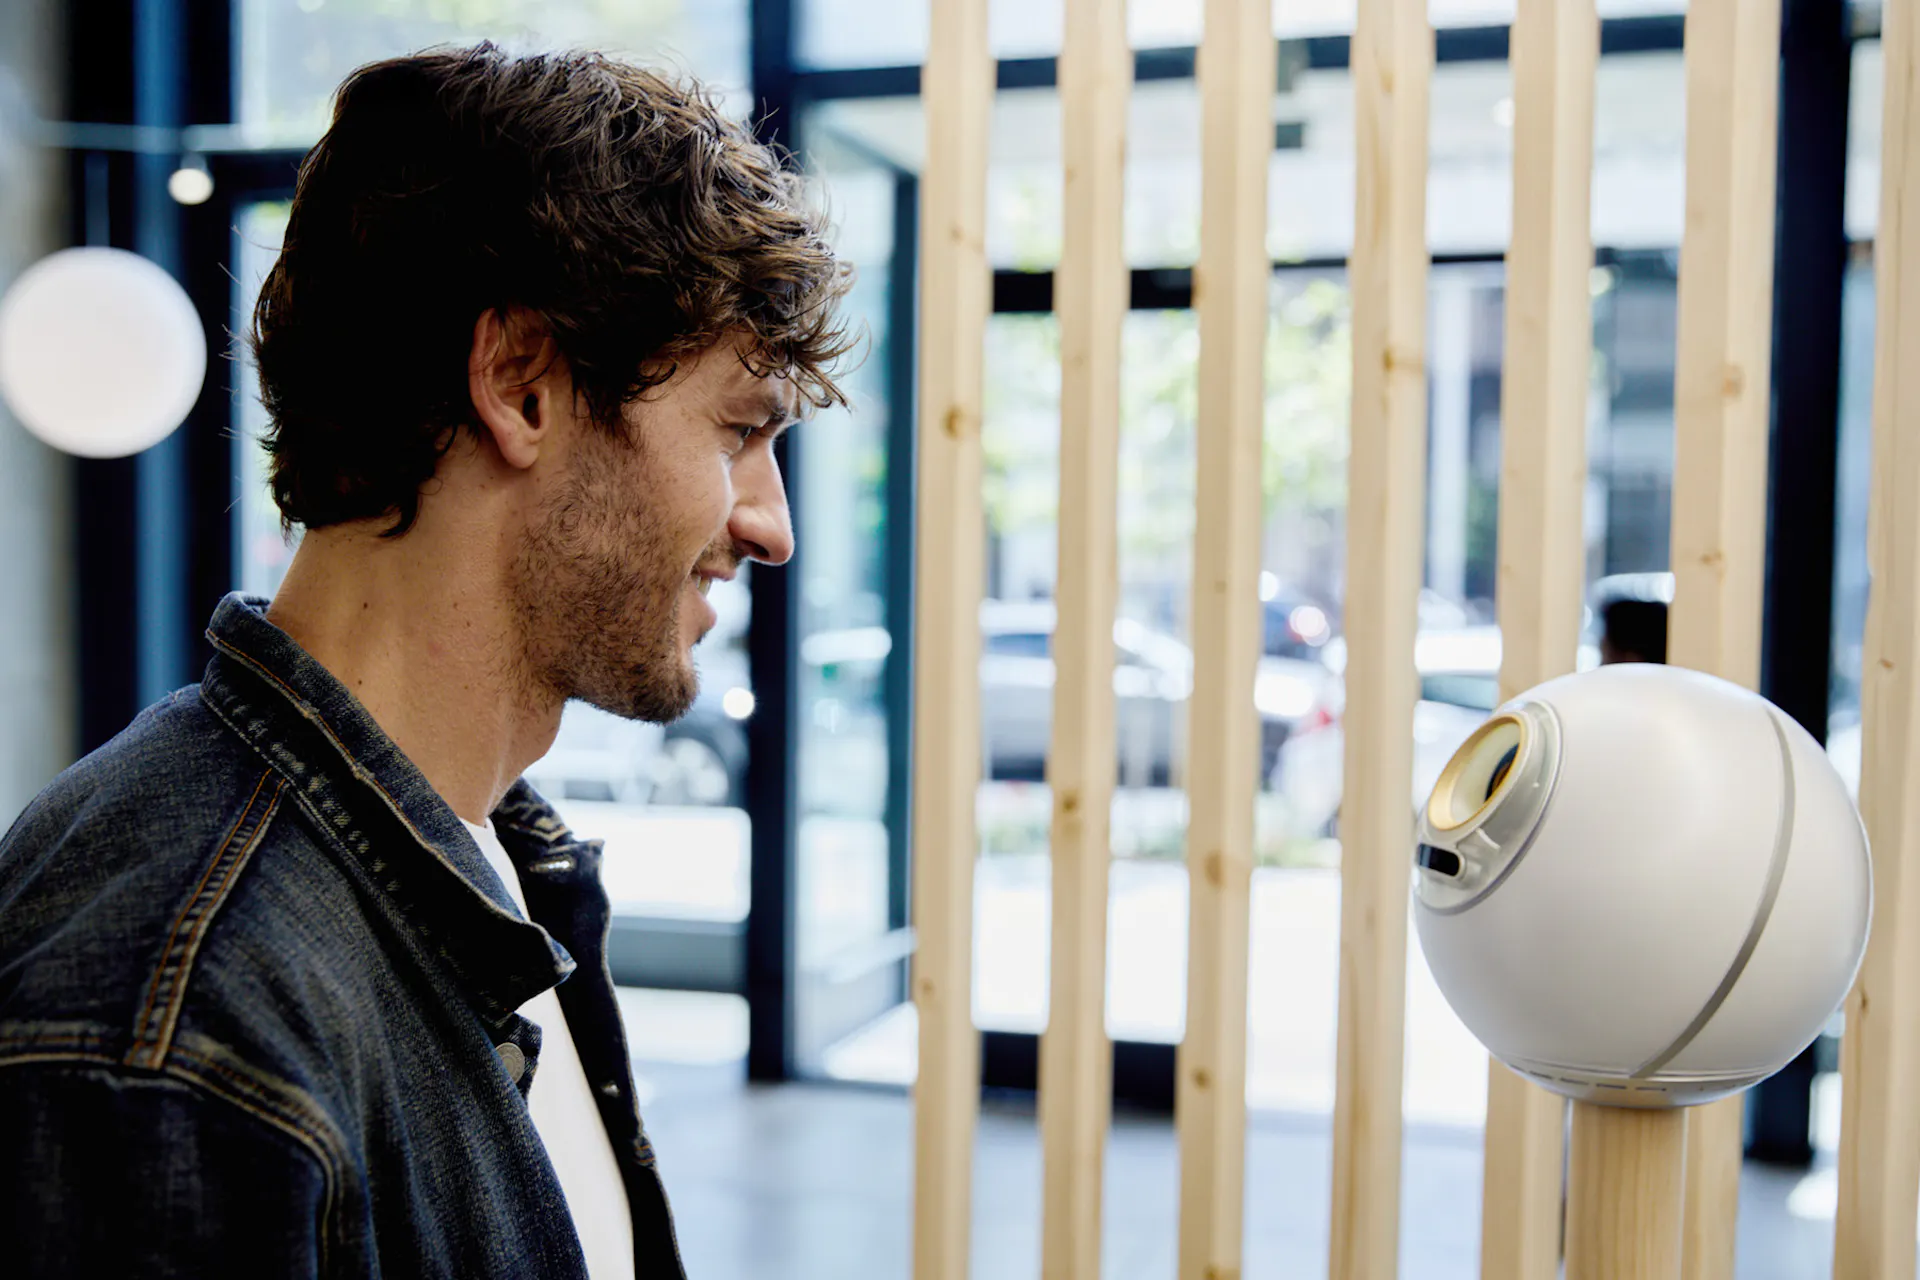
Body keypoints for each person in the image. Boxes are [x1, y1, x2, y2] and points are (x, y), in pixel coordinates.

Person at [0, 44, 852, 1278]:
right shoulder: (169, 1029)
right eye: (738, 430)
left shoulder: (502, 864)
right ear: (521, 384)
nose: (770, 525)